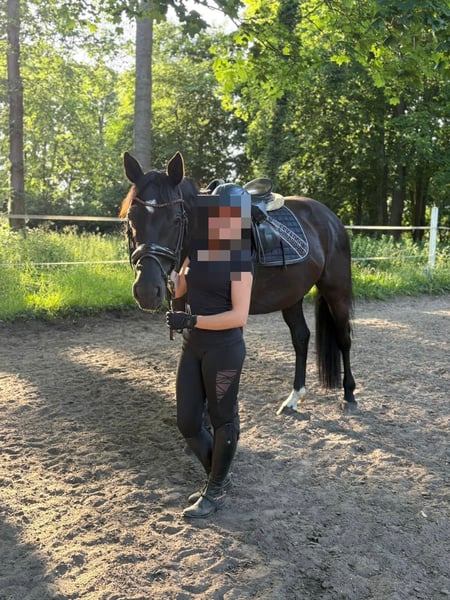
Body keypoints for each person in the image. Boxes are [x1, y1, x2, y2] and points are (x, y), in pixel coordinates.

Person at [166, 185, 253, 518]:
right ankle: (219, 477)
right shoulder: (198, 249)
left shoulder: (240, 258)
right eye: (219, 213)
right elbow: (182, 287)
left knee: (223, 419)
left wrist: (193, 319)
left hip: (225, 350)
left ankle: (214, 489)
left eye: (231, 215)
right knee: (187, 421)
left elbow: (239, 316)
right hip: (194, 346)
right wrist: (170, 277)